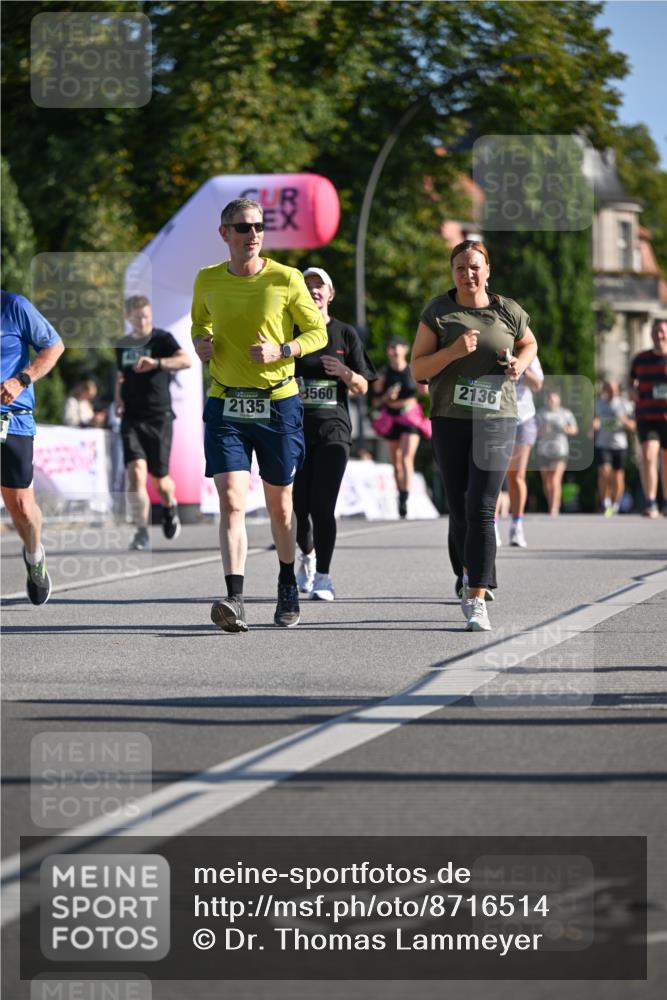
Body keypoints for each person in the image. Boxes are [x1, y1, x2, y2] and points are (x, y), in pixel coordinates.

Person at [191, 198, 327, 632]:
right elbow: (199, 325)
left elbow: (317, 332)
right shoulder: (207, 279)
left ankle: (287, 582)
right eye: (243, 227)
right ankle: (235, 598)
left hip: (277, 402)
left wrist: (282, 350)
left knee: (280, 504)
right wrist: (202, 343)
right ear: (224, 233)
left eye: (258, 227)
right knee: (231, 499)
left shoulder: (286, 279)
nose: (253, 234)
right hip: (226, 402)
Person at [411, 239, 537, 632]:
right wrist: (451, 353)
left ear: (488, 270)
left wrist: (520, 362)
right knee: (460, 507)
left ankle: (477, 596)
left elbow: (529, 342)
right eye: (460, 268)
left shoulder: (508, 310)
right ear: (453, 273)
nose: (468, 274)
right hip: (450, 417)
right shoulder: (439, 311)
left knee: (482, 507)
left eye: (475, 266)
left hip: (497, 418)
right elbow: (418, 369)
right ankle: (468, 572)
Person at [293, 267, 376, 601]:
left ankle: (324, 577)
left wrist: (344, 372)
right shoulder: (292, 331)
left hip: (334, 430)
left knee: (322, 506)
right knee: (298, 508)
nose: (313, 291)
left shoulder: (344, 333)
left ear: (330, 294)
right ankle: (307, 556)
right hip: (294, 431)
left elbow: (363, 385)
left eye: (319, 286)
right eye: (307, 285)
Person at [1, 290, 64, 604]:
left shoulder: (13, 307)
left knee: (22, 507)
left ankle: (34, 552)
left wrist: (22, 379)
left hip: (13, 419)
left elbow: (54, 346)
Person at [115, 295, 192, 549]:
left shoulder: (162, 339)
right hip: (132, 418)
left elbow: (186, 360)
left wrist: (157, 363)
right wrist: (118, 399)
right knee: (135, 473)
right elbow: (121, 377)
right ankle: (141, 530)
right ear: (129, 318)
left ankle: (170, 507)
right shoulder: (123, 344)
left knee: (161, 480)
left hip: (159, 417)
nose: (143, 320)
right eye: (137, 317)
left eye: (146, 315)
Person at [371, 336, 431, 518]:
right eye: (391, 347)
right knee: (396, 464)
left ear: (405, 350)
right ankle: (401, 495)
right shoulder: (383, 374)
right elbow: (375, 402)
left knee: (406, 459)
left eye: (398, 347)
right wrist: (386, 397)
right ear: (388, 351)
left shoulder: (413, 371)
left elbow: (426, 392)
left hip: (410, 416)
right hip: (391, 417)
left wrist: (425, 385)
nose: (395, 351)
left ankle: (406, 495)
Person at [495, 355, 544, 546]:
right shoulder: (493, 344)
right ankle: (492, 526)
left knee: (516, 476)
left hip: (523, 418)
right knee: (495, 475)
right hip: (496, 416)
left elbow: (538, 384)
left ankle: (517, 526)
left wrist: (520, 366)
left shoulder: (528, 351)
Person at [629, 317, 667, 517]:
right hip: (646, 415)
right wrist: (631, 392)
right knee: (648, 455)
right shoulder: (640, 359)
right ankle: (651, 502)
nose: (659, 336)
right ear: (651, 335)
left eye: (662, 332)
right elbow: (630, 381)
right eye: (656, 332)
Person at [592, 379, 635, 515]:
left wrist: (623, 420)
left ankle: (615, 504)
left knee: (618, 477)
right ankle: (605, 501)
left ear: (617, 390)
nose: (611, 391)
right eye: (608, 388)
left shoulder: (625, 404)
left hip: (620, 445)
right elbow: (596, 420)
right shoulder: (599, 404)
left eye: (613, 388)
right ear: (605, 389)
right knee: (604, 471)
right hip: (603, 444)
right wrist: (594, 425)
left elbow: (633, 427)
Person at [536, 389, 578, 516]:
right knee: (546, 482)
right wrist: (543, 430)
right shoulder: (540, 413)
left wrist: (565, 429)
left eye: (554, 399)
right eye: (549, 399)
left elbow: (575, 429)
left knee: (555, 479)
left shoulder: (565, 413)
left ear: (559, 400)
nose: (551, 402)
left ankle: (554, 508)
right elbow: (533, 431)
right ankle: (551, 503)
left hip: (560, 450)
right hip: (543, 450)